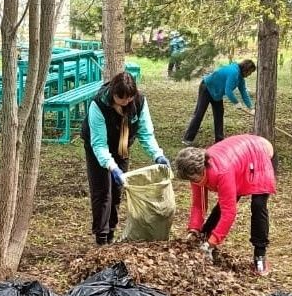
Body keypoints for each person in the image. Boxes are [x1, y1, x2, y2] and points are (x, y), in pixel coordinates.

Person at [82, 70, 169, 245]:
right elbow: (99, 144)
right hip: (97, 147)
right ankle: (101, 237)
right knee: (102, 192)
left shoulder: (139, 102)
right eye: (121, 99)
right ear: (113, 93)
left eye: (128, 98)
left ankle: (111, 233)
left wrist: (157, 154)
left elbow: (146, 132)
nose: (125, 102)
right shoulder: (98, 105)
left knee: (117, 190)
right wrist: (111, 167)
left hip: (122, 146)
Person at [175, 134, 277, 276]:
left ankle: (260, 255)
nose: (192, 181)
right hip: (238, 159)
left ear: (201, 169)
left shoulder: (222, 172)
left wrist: (214, 241)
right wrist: (194, 229)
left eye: (193, 178)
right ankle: (204, 237)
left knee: (258, 206)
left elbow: (229, 212)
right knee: (224, 202)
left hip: (258, 153)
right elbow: (198, 205)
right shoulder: (195, 172)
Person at [182, 58, 256, 145]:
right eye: (250, 72)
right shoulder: (234, 72)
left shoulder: (240, 78)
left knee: (219, 114)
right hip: (207, 87)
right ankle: (187, 139)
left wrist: (251, 107)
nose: (249, 74)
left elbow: (243, 92)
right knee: (199, 113)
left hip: (217, 93)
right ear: (246, 69)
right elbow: (228, 91)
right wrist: (236, 103)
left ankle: (219, 140)